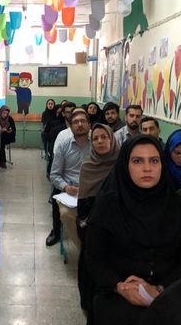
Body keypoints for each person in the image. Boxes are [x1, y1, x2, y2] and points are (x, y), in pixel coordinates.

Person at [86, 135, 181, 325]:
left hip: (171, 290)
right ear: (125, 165)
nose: (147, 168)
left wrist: (161, 289)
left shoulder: (178, 205)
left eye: (154, 161)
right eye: (137, 161)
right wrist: (119, 287)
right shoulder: (108, 204)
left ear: (162, 164)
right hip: (118, 291)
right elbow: (94, 258)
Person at [77, 123, 120, 321]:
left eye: (104, 137)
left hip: (120, 230)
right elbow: (83, 208)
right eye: (95, 138)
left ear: (112, 139)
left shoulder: (123, 166)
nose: (100, 141)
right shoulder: (88, 166)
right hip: (94, 228)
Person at [46, 109, 91, 247]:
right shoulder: (63, 145)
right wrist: (66, 187)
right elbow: (54, 174)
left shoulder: (96, 145)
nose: (80, 124)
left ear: (89, 125)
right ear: (70, 127)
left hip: (91, 189)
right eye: (76, 122)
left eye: (83, 121)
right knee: (61, 209)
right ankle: (56, 231)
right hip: (69, 189)